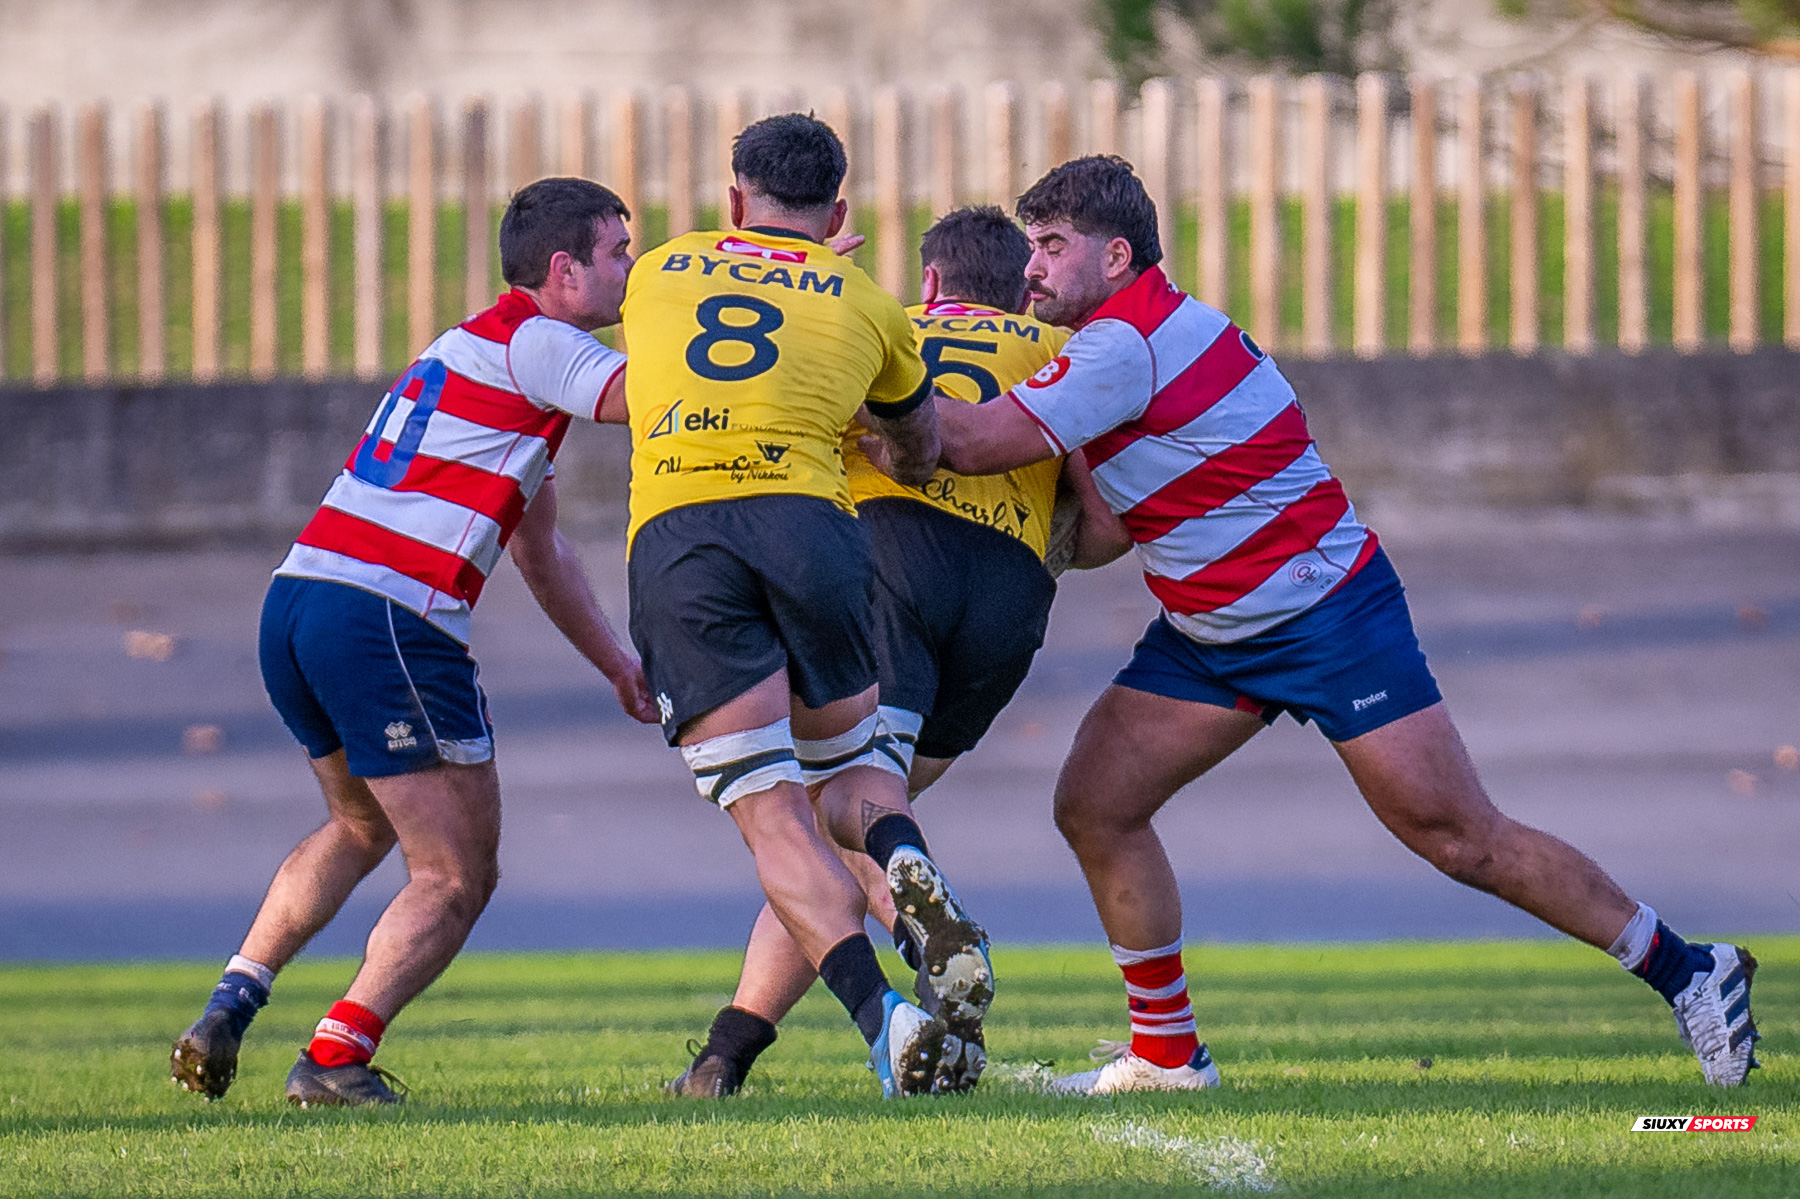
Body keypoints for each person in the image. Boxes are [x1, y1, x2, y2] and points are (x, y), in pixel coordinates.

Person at [907, 155, 1760, 1093]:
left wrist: (864, 388)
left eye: (1051, 247)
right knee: (1097, 805)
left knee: (1458, 836)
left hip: (1325, 614)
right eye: (1029, 247)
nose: (1029, 269)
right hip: (1212, 630)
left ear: (1115, 257)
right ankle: (1167, 1056)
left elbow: (975, 439)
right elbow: (1110, 532)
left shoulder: (1124, 346)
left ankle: (1692, 969)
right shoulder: (1132, 337)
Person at [171, 178, 658, 1107]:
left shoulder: (470, 349)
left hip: (300, 599)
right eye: (619, 253)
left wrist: (615, 664)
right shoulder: (539, 342)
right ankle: (333, 1057)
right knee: (457, 872)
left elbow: (542, 551)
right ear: (564, 271)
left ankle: (232, 1001)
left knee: (361, 824)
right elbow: (649, 392)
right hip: (389, 618)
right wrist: (759, 301)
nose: (632, 270)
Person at [667, 206, 1130, 1098]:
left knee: (831, 812)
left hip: (888, 562)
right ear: (1022, 286)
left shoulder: (892, 327)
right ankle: (725, 1056)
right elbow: (1106, 528)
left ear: (929, 283)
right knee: (858, 815)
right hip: (1010, 595)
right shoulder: (1054, 361)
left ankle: (929, 940)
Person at [615, 114, 992, 1098]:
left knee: (772, 815)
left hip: (687, 537)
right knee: (852, 778)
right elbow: (917, 447)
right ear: (839, 207)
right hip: (812, 530)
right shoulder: (868, 305)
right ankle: (917, 883)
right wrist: (830, 282)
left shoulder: (659, 267)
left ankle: (886, 1020)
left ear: (736, 197)